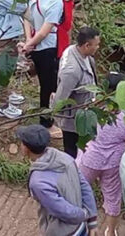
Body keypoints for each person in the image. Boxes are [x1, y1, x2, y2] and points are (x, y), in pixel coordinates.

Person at [21, 0, 79, 136]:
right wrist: (30, 43)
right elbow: (46, 31)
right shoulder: (56, 2)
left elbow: (27, 17)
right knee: (50, 86)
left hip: (36, 46)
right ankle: (46, 123)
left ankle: (47, 117)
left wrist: (28, 41)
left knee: (45, 84)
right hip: (47, 48)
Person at [18, 124, 99, 236]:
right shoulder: (64, 157)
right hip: (81, 227)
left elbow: (63, 211)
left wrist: (83, 215)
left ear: (26, 148)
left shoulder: (38, 183)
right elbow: (84, 186)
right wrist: (91, 220)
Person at [80, 73, 125, 236]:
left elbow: (84, 131)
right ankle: (111, 231)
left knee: (78, 188)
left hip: (91, 158)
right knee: (113, 198)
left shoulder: (93, 109)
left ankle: (79, 223)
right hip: (114, 162)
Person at [54, 26, 101, 158]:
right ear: (86, 45)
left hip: (84, 112)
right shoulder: (72, 70)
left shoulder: (82, 55)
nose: (98, 47)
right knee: (72, 152)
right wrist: (57, 117)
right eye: (96, 45)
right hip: (73, 120)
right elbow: (61, 98)